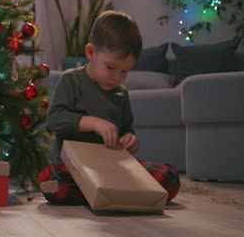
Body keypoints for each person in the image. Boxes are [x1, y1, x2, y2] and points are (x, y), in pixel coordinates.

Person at [40, 11, 179, 204]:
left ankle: (105, 193)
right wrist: (94, 123)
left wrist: (131, 140)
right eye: (110, 67)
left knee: (169, 178)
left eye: (125, 71)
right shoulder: (71, 80)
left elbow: (126, 129)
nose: (117, 77)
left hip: (112, 167)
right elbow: (54, 119)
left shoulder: (121, 93)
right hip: (74, 167)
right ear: (91, 52)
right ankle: (114, 194)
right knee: (52, 179)